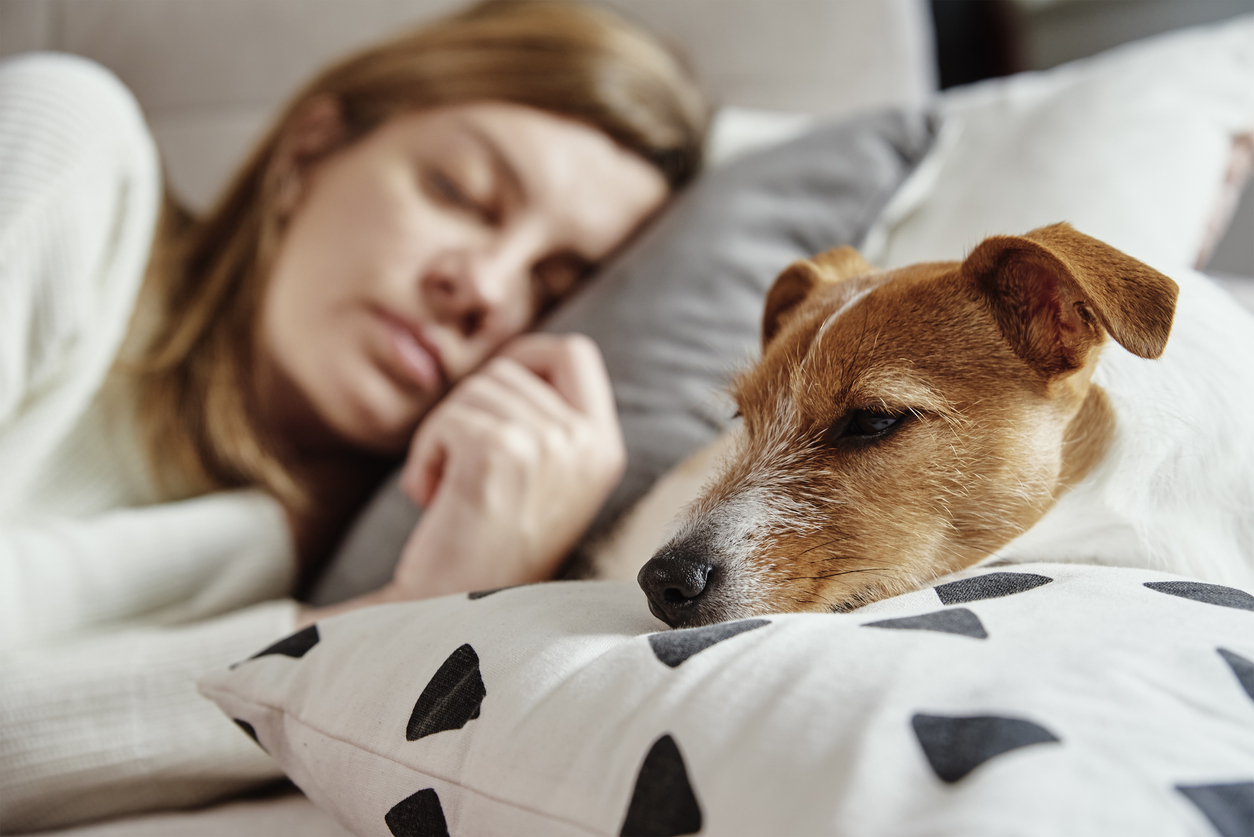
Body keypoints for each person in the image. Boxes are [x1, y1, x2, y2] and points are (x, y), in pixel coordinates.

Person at [0, 0, 707, 830]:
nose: (483, 288)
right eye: (459, 191)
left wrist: (422, 608)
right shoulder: (74, 158)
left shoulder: (273, 568)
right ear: (309, 152)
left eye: (551, 290)